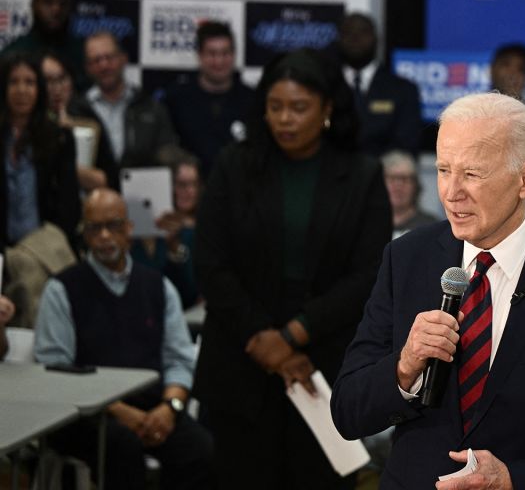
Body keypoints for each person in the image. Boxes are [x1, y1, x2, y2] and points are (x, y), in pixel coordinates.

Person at [330, 91, 525, 489]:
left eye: (472, 173)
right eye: (444, 170)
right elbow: (347, 412)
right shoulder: (406, 259)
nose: (451, 192)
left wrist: (515, 479)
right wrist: (405, 366)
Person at [195, 49, 390, 489]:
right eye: (275, 106)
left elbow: (369, 274)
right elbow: (210, 262)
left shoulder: (361, 175)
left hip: (323, 363)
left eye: (299, 108)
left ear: (326, 109)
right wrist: (263, 339)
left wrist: (292, 336)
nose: (285, 119)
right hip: (241, 360)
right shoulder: (234, 164)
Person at [34, 189, 214, 490]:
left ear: (129, 228)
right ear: (84, 233)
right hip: (88, 414)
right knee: (122, 447)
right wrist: (119, 410)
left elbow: (179, 358)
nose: (104, 236)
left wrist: (170, 408)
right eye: (94, 228)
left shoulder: (157, 286)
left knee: (202, 451)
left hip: (154, 407)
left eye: (114, 225)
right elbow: (56, 369)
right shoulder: (62, 289)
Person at [0, 53, 79, 250]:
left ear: (40, 89)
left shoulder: (59, 138)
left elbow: (69, 203)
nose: (21, 90)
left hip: (43, 250)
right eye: (13, 82)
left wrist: (55, 245)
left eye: (29, 82)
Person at [161, 21, 254, 177]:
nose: (219, 61)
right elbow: (162, 148)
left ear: (234, 55)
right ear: (199, 56)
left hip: (240, 192)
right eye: (212, 54)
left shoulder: (252, 100)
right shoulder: (176, 99)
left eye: (225, 53)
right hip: (190, 193)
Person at [84, 31, 179, 168]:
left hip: (143, 186)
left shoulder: (150, 107)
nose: (104, 65)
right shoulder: (77, 109)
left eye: (109, 57)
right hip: (93, 188)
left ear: (124, 58)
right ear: (87, 68)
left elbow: (167, 154)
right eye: (96, 60)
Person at [336, 13, 421, 157]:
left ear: (377, 39)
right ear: (338, 40)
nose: (355, 38)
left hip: (383, 175)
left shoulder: (403, 90)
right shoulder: (325, 85)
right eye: (348, 33)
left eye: (363, 32)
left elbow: (407, 144)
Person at [131, 148, 202, 309]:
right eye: (182, 185)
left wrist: (175, 248)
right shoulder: (141, 228)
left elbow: (189, 292)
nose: (190, 191)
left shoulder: (202, 229)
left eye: (195, 184)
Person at [42, 50, 119, 191]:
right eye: (48, 81)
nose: (56, 89)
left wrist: (65, 163)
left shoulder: (87, 118)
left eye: (62, 79)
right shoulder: (23, 122)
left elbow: (110, 179)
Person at [1, 0, 85, 89]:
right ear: (34, 6)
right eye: (48, 2)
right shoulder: (14, 53)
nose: (56, 9)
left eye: (63, 3)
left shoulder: (84, 52)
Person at [382, 149, 440, 240]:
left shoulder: (431, 227)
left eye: (405, 179)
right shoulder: (368, 224)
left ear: (416, 186)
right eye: (392, 178)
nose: (398, 186)